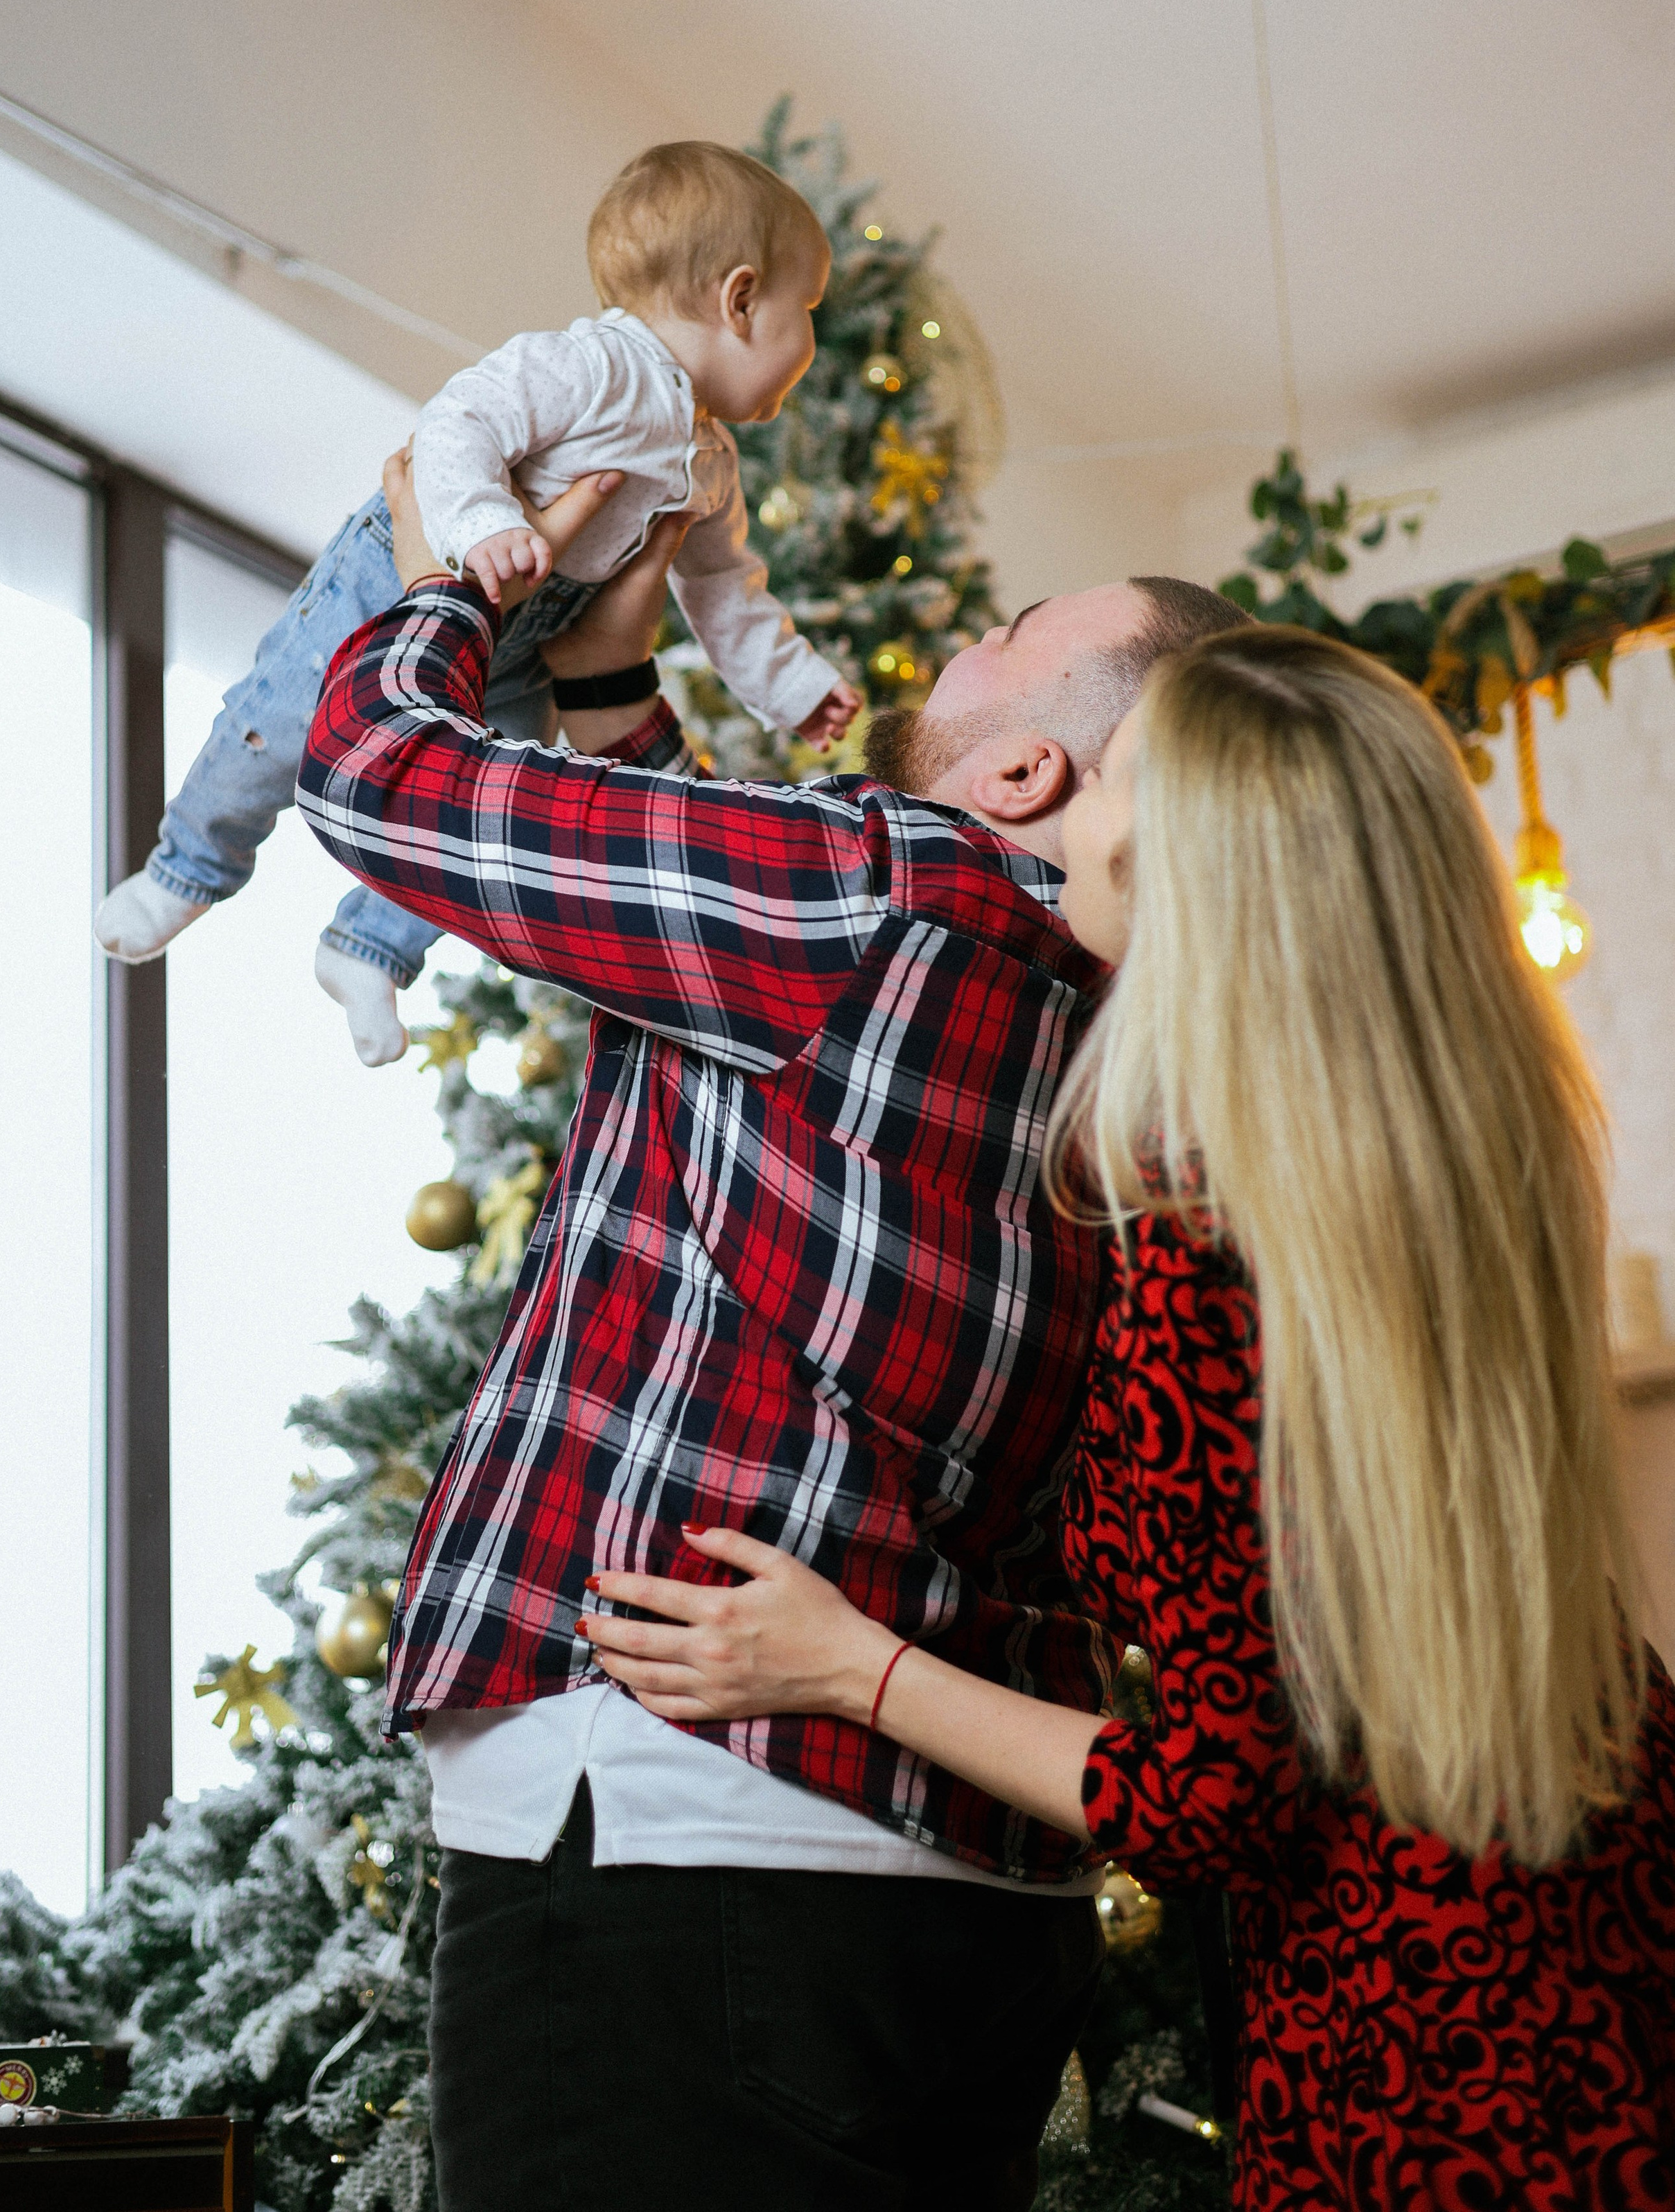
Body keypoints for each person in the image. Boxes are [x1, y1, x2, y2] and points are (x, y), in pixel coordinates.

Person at [584, 626, 1675, 2208]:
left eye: (1112, 768)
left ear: (1189, 874)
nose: (1066, 783)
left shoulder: (1195, 1233)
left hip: (1421, 2028)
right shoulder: (1467, 1157)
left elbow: (1211, 1797)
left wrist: (846, 1665)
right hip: (1604, 1908)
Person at [296, 443, 1248, 2211]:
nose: (964, 636)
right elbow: (723, 997)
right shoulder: (1151, 1061)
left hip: (685, 1856)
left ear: (1030, 768)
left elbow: (379, 779)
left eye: (1009, 634)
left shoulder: (874, 893)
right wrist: (604, 677)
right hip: (960, 1922)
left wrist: (448, 576)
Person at [93, 142, 856, 1066]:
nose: (810, 344)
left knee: (487, 801)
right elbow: (460, 422)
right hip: (404, 576)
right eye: (805, 311)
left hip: (524, 645)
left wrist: (797, 689)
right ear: (740, 299)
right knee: (279, 724)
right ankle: (187, 868)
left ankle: (368, 947)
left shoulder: (711, 464)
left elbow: (726, 593)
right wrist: (487, 520)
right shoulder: (596, 366)